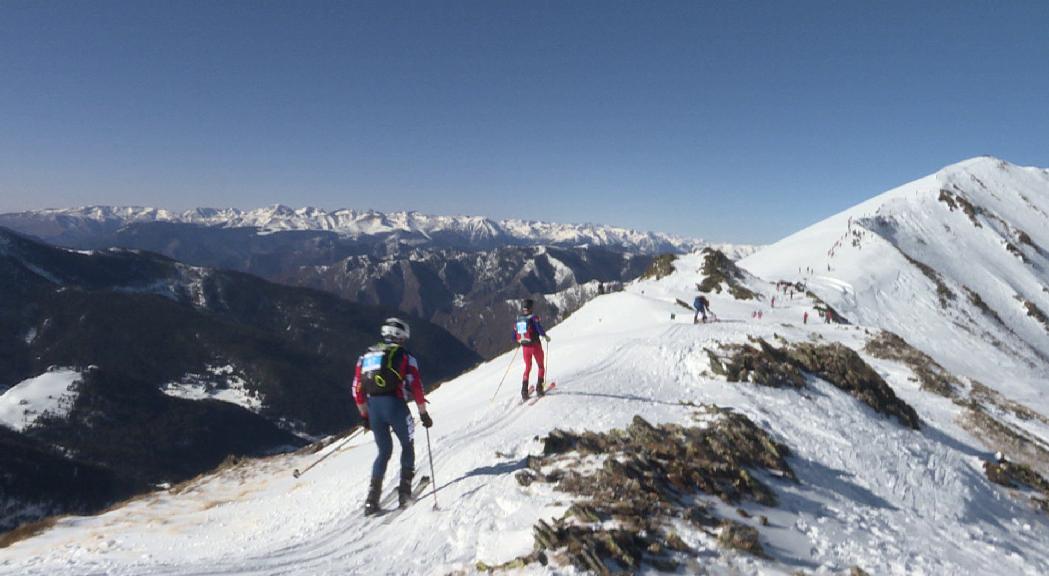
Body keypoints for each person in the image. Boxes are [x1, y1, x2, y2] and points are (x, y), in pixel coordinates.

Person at [353, 317, 432, 515]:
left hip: (373, 407)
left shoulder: (366, 355)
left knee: (383, 451)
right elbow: (416, 386)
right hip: (395, 405)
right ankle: (405, 492)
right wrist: (423, 413)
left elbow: (356, 388)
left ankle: (372, 500)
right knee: (407, 444)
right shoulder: (405, 356)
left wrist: (365, 415)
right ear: (400, 336)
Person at [514, 298, 551, 400]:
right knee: (541, 366)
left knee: (527, 367)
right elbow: (539, 329)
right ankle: (539, 388)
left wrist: (520, 341)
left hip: (525, 347)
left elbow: (514, 335)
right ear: (531, 307)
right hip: (535, 346)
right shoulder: (533, 318)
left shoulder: (519, 319)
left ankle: (524, 391)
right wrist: (545, 336)